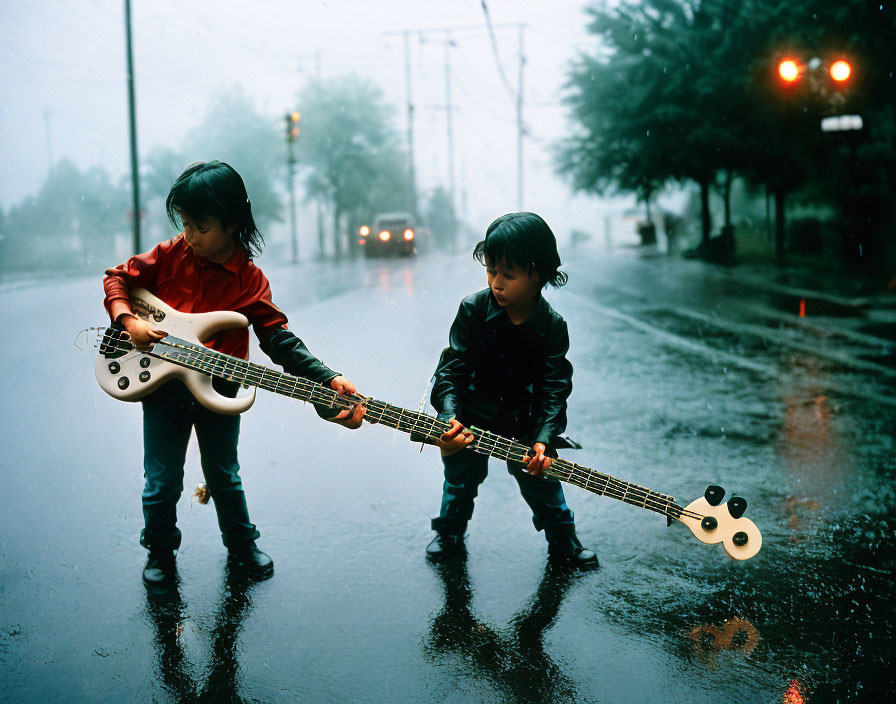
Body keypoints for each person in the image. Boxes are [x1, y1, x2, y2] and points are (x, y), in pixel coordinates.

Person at [103, 161, 365, 589]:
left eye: (200, 226)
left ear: (232, 223)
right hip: (162, 386)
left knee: (224, 473)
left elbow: (279, 339)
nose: (189, 235)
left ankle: (242, 546)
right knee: (161, 479)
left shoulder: (249, 280)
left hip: (219, 387)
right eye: (185, 224)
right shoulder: (169, 256)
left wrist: (325, 377)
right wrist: (128, 320)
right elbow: (117, 278)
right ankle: (160, 552)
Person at [423, 212, 597, 568]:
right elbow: (450, 368)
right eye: (491, 271)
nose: (497, 283)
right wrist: (448, 416)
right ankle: (449, 532)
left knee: (542, 479)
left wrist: (544, 438)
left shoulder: (551, 326)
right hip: (469, 414)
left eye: (508, 275)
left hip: (523, 420)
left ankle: (563, 537)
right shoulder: (473, 309)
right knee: (459, 477)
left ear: (538, 275)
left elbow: (554, 387)